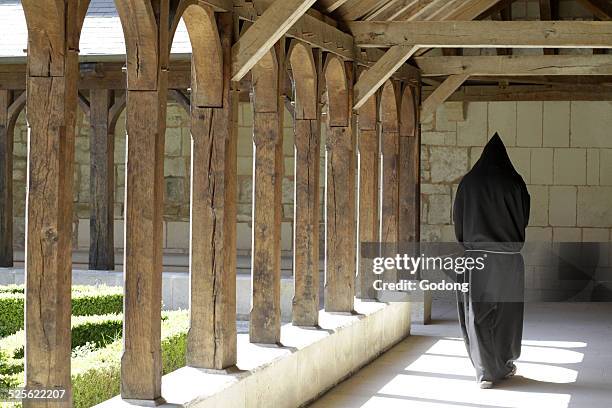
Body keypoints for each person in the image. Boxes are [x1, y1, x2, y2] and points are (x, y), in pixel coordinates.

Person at [453, 133, 530, 389]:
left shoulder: (469, 183)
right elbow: (524, 217)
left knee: (478, 315)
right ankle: (504, 364)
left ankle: (484, 371)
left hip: (476, 260)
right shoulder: (514, 182)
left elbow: (459, 220)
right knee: (507, 315)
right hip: (508, 261)